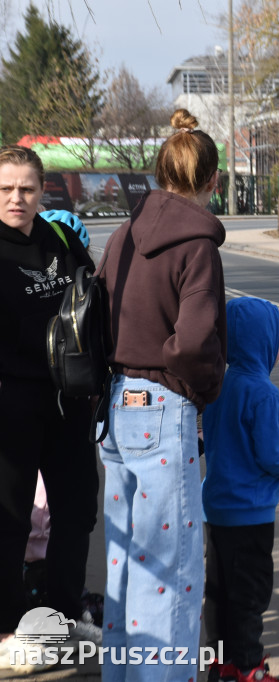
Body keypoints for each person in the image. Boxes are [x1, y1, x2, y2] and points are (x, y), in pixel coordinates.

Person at [98, 109, 227, 682]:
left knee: (126, 563)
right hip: (162, 411)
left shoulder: (123, 236)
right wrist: (207, 390)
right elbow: (194, 343)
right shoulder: (197, 245)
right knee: (171, 574)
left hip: (116, 408)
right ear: (213, 181)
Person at [0, 145, 102, 674]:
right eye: (6, 189)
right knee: (9, 519)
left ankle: (62, 613)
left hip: (69, 401)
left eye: (27, 188)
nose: (17, 198)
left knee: (77, 510)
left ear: (43, 192)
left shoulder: (60, 239)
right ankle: (7, 629)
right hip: (10, 406)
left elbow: (93, 303)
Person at [201, 297, 279, 682]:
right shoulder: (264, 394)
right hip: (251, 512)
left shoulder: (219, 385)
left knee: (220, 590)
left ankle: (220, 659)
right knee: (251, 593)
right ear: (264, 341)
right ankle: (249, 666)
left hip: (219, 508)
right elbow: (270, 454)